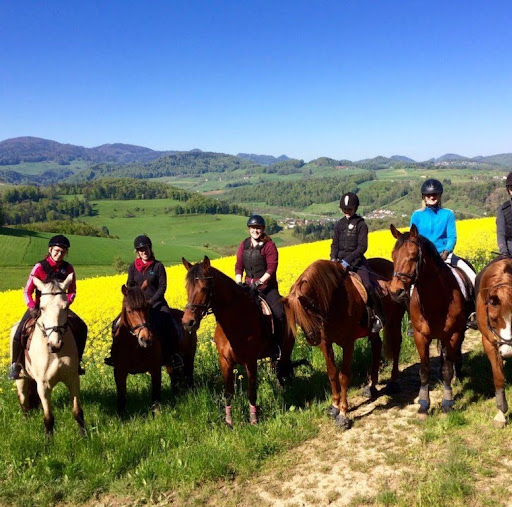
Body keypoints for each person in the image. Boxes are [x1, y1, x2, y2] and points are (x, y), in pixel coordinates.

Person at [8, 235, 88, 380]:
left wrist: (65, 304)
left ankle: (77, 363)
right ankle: (16, 365)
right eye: (57, 251)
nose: (59, 254)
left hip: (60, 308)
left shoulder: (68, 268)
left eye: (63, 252)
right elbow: (27, 291)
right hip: (39, 307)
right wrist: (32, 307)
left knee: (82, 326)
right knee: (19, 331)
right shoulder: (40, 267)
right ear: (50, 250)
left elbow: (73, 291)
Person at [104, 235, 183, 368]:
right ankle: (115, 355)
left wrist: (151, 302)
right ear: (137, 252)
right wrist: (134, 300)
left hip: (156, 303)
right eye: (140, 250)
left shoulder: (158, 266)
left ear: (150, 249)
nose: (143, 252)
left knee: (169, 323)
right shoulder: (133, 267)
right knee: (116, 323)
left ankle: (173, 355)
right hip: (137, 306)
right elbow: (130, 285)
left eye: (145, 249)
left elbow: (162, 287)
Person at [410, 178, 477, 327]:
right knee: (410, 286)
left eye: (435, 194)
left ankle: (473, 312)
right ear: (423, 197)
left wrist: (447, 251)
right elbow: (413, 239)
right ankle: (412, 319)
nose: (432, 197)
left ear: (440, 195)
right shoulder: (416, 216)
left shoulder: (447, 214)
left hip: (445, 256)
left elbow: (452, 236)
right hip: (425, 259)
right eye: (428, 195)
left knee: (472, 276)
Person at [330, 192, 385, 333]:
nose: (347, 212)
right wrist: (333, 258)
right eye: (344, 209)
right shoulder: (339, 225)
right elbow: (334, 244)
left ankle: (378, 316)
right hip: (339, 262)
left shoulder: (361, 225)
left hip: (357, 262)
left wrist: (347, 262)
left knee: (367, 284)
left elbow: (362, 247)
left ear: (355, 208)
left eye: (349, 209)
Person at [235, 215, 283, 358]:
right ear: (249, 229)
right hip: (247, 286)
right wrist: (238, 282)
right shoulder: (244, 245)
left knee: (279, 313)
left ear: (263, 229)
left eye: (258, 228)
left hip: (267, 288)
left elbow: (271, 269)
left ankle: (276, 346)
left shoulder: (269, 246)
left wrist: (259, 282)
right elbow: (238, 266)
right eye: (253, 228)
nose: (255, 231)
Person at [496, 171, 512, 257]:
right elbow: (501, 233)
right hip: (509, 252)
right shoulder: (503, 209)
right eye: (511, 188)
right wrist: (504, 251)